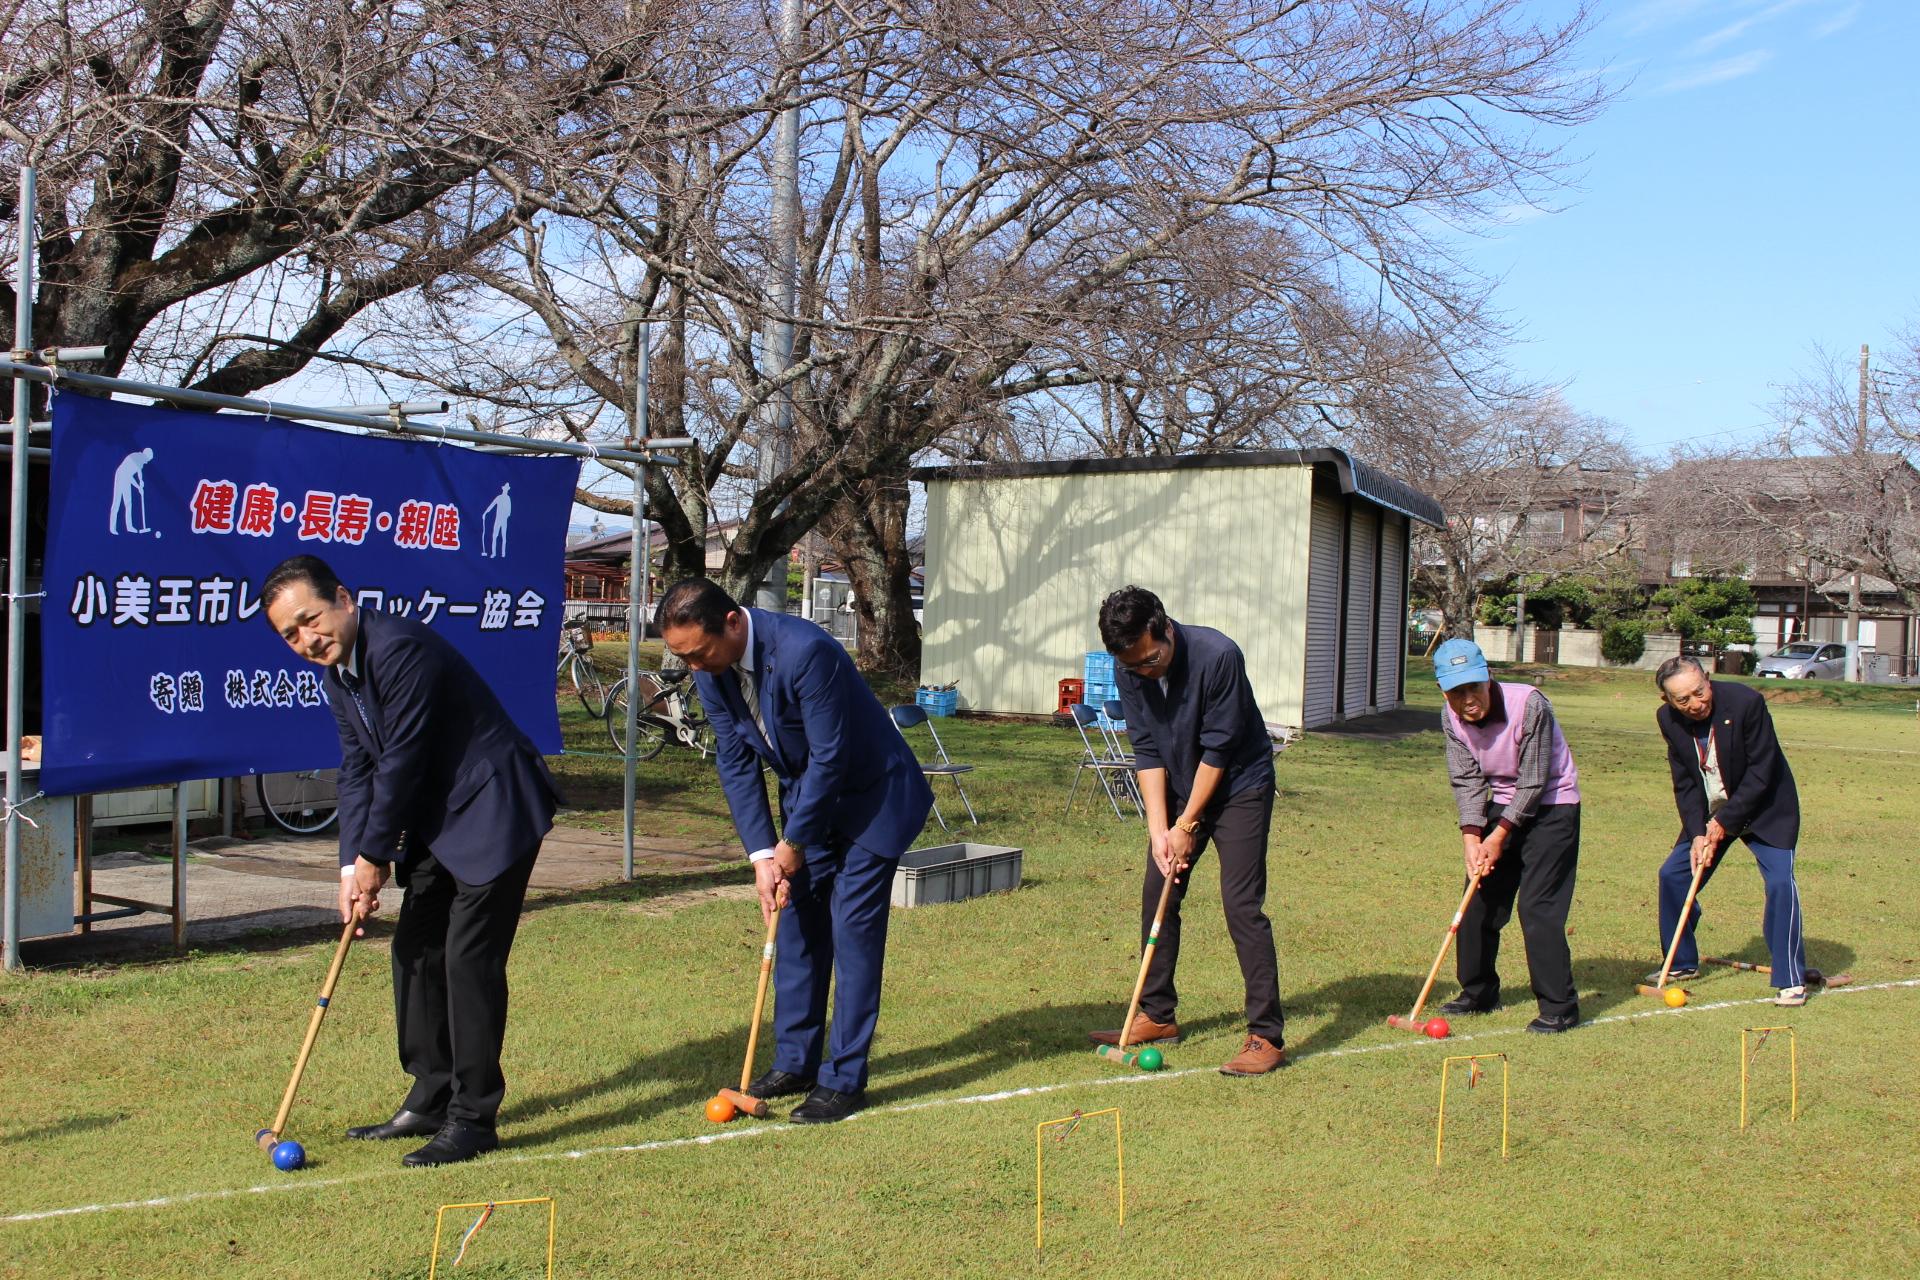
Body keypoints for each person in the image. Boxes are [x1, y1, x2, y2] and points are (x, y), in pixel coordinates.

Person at [262, 554, 558, 1166]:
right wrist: (351, 866)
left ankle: (473, 1119)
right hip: (439, 821)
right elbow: (359, 769)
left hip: (494, 808)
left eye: (310, 620)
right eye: (289, 635)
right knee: (415, 951)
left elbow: (402, 759)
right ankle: (431, 1093)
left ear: (343, 599)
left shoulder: (398, 648)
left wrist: (375, 855)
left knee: (466, 959)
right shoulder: (338, 675)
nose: (305, 639)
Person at [655, 578, 933, 1122]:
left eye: (698, 653)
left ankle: (844, 1079)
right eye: (682, 657)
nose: (693, 667)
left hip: (873, 801)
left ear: (732, 622)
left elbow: (830, 756)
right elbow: (735, 764)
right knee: (798, 927)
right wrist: (763, 854)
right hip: (809, 805)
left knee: (851, 930)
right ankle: (796, 1062)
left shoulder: (808, 652)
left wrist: (794, 842)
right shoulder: (712, 673)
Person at [1087, 586, 1287, 1076]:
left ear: (1166, 628)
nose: (1145, 670)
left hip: (1239, 783)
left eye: (1151, 659)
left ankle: (1266, 1034)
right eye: (1134, 666)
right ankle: (1157, 1015)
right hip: (1179, 781)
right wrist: (1161, 831)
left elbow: (1219, 751)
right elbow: (1148, 750)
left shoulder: (1219, 656)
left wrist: (1188, 823)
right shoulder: (1128, 666)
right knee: (1159, 889)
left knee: (1241, 904)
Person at [1432, 637, 1582, 1033]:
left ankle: (1559, 1007)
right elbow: (1465, 780)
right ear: (1443, 691)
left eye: (1473, 688)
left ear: (1488, 678)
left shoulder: (1530, 704)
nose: (1467, 700)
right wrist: (1471, 836)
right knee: (1478, 899)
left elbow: (1533, 782)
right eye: (1456, 691)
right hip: (1500, 804)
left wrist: (1497, 836)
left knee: (1538, 909)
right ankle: (1479, 992)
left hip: (1553, 806)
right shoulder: (1449, 718)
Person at [1652, 655, 1809, 1005]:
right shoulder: (1668, 720)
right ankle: (1681, 962)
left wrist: (1723, 823)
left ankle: (1791, 978)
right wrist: (1697, 832)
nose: (1695, 704)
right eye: (1683, 700)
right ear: (1668, 701)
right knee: (1675, 875)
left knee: (1781, 883)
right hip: (1711, 813)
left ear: (1707, 679)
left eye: (1699, 692)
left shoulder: (1746, 702)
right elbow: (1686, 783)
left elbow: (1762, 771)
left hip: (1767, 809)